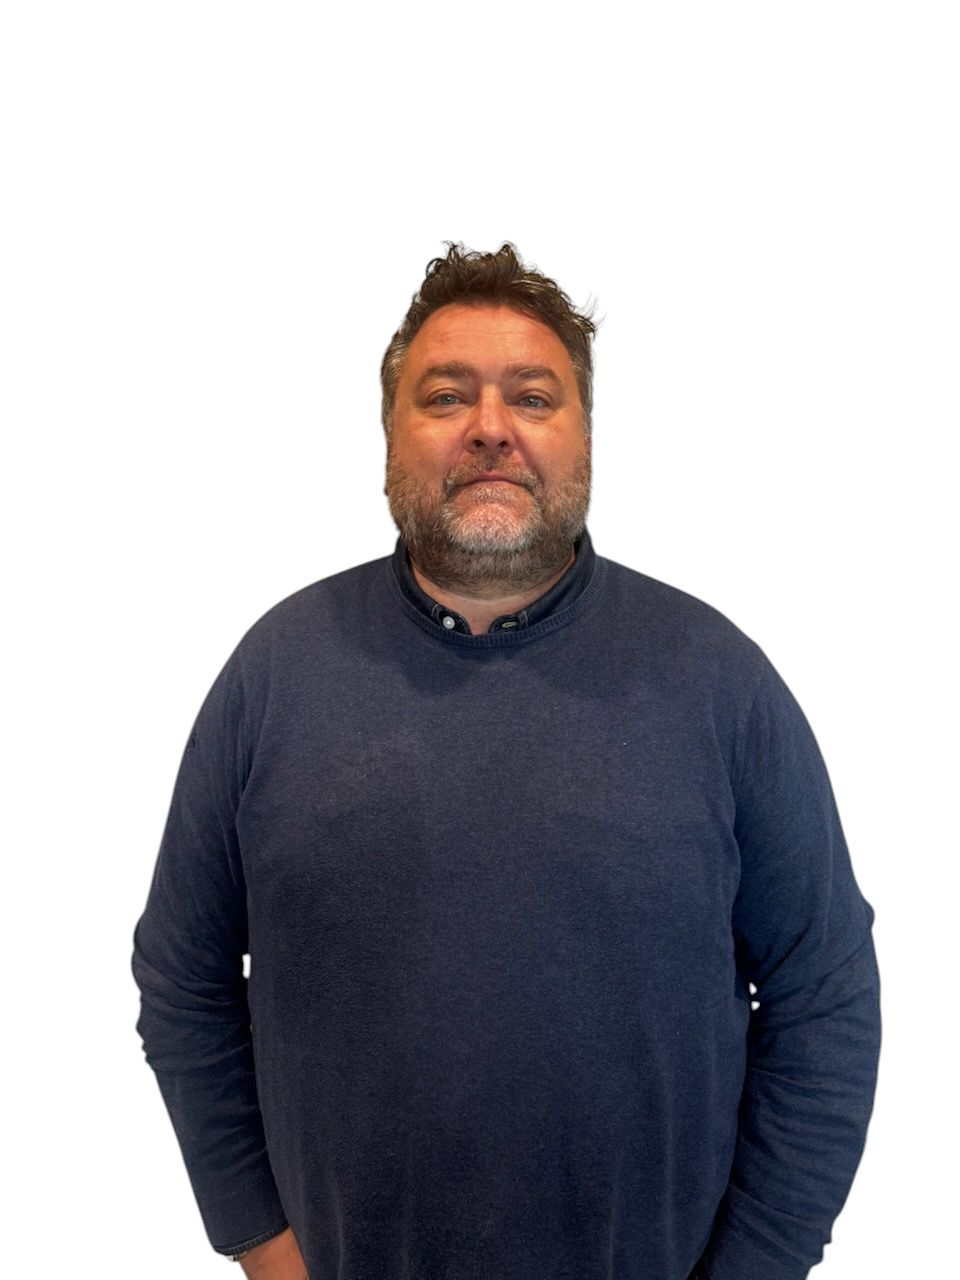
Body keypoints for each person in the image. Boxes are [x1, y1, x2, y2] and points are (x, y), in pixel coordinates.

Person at [132, 243, 881, 1280]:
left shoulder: (720, 683)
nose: (490, 427)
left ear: (585, 438)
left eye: (532, 396)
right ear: (389, 438)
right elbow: (182, 977)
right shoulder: (275, 674)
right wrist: (261, 1242)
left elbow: (825, 993)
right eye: (447, 396)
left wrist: (759, 1263)